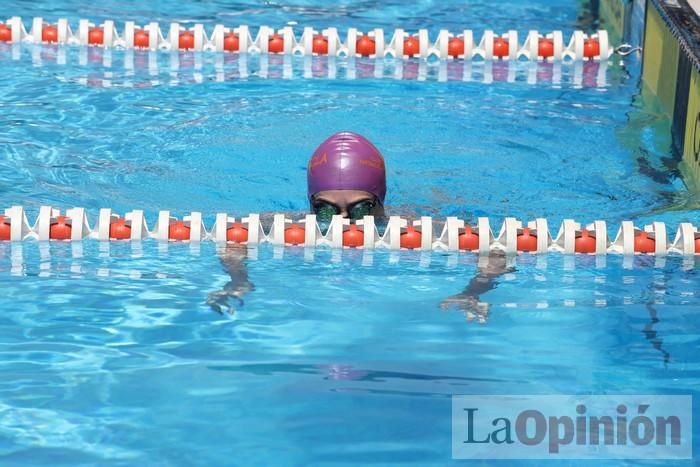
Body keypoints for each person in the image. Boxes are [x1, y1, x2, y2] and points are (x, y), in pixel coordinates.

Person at [207, 131, 510, 322]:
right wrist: (237, 280)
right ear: (310, 204)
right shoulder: (288, 225)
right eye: (325, 211)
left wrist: (474, 290)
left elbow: (496, 249)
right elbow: (235, 238)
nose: (342, 224)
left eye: (360, 209)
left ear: (381, 202)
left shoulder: (413, 227)